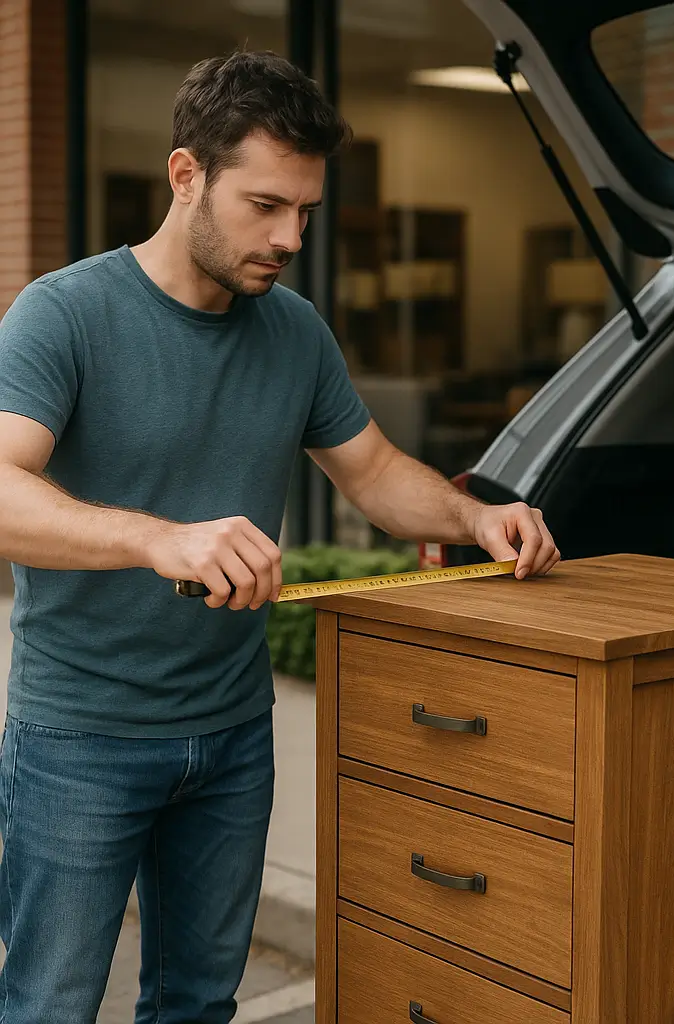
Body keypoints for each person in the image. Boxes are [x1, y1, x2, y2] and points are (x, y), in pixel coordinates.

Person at [0, 49, 559, 1023]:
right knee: (48, 1004)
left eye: (304, 210)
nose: (291, 235)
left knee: (200, 1004)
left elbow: (375, 472)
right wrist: (158, 541)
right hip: (79, 736)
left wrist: (476, 517)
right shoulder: (65, 314)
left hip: (229, 733)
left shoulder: (293, 331)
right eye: (266, 205)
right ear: (187, 176)